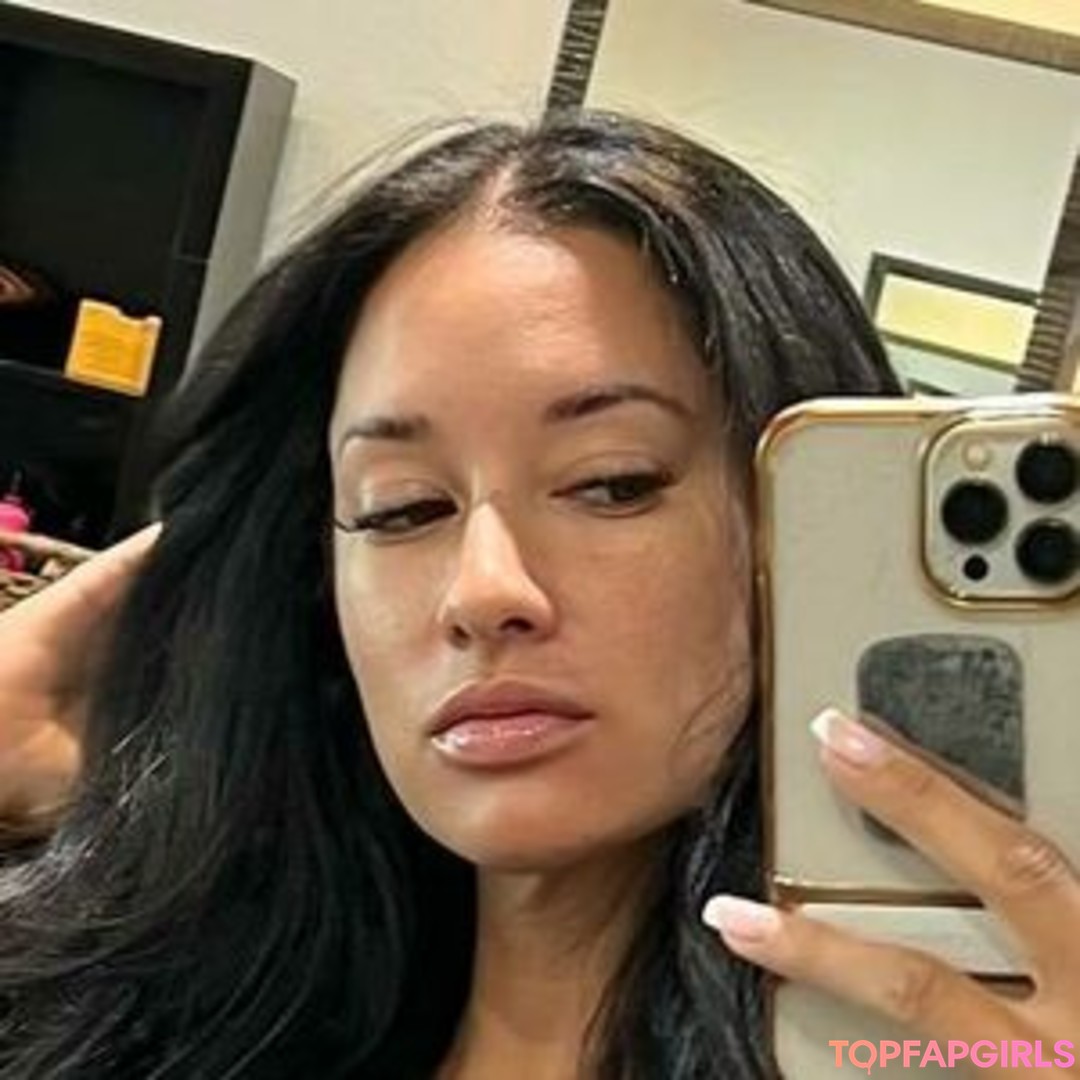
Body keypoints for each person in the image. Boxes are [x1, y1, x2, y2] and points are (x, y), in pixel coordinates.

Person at [0, 111, 1076, 1079]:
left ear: (803, 538)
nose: (483, 592)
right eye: (403, 508)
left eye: (613, 482)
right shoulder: (157, 1032)